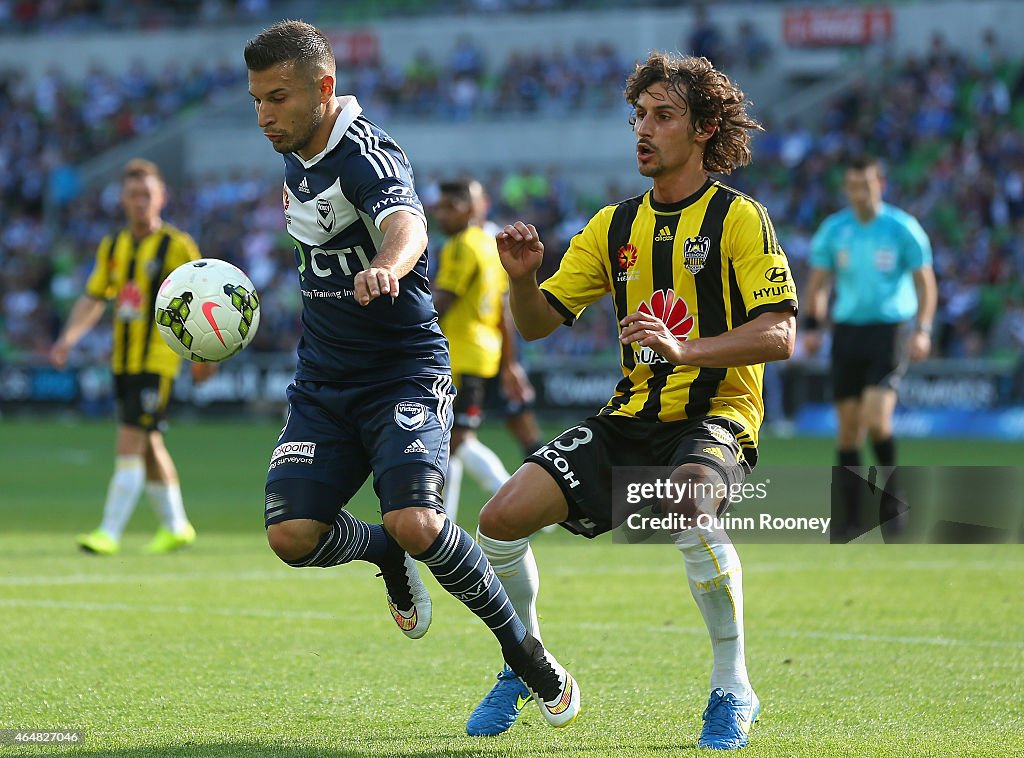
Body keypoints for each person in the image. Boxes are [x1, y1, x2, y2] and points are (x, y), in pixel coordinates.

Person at [243, 20, 578, 725]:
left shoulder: (368, 152)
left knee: (421, 519)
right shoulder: (295, 154)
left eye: (278, 97)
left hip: (402, 374)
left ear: (324, 89)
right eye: (256, 101)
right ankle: (384, 555)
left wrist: (385, 269)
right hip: (323, 381)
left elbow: (408, 225)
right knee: (290, 536)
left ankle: (527, 657)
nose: (264, 114)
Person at [466, 52, 797, 751]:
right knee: (497, 523)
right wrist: (523, 281)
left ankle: (733, 685)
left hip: (715, 417)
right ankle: (526, 664)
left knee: (686, 504)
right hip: (629, 417)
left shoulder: (742, 220)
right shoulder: (614, 226)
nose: (643, 130)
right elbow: (534, 323)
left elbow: (780, 333)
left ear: (705, 128)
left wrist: (686, 352)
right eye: (638, 116)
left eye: (663, 116)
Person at [51, 158, 202, 556]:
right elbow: (94, 296)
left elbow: (206, 299)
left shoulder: (177, 245)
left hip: (158, 360)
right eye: (134, 195)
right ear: (122, 199)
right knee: (150, 441)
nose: (140, 202)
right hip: (122, 360)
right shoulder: (113, 245)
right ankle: (176, 526)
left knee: (131, 438)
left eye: (147, 195)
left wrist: (204, 357)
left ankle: (109, 532)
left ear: (162, 197)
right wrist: (68, 337)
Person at [803, 155, 936, 538]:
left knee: (877, 420)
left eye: (867, 184)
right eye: (853, 186)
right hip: (847, 333)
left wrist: (923, 329)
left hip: (889, 330)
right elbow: (819, 284)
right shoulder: (834, 229)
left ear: (881, 183)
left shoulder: (902, 228)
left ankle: (893, 500)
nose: (860, 193)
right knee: (847, 433)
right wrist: (813, 324)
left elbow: (926, 284)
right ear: (845, 188)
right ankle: (849, 517)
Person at [431, 178, 513, 523]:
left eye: (448, 207)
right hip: (482, 353)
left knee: (457, 440)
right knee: (451, 439)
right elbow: (503, 309)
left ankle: (517, 498)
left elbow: (443, 300)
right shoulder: (489, 245)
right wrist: (510, 364)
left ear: (467, 208)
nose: (440, 214)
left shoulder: (461, 245)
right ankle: (442, 519)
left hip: (460, 355)